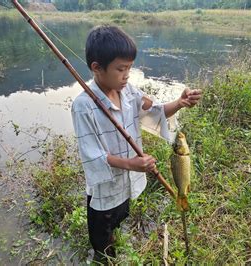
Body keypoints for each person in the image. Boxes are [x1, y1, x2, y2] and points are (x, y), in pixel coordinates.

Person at [71, 25, 201, 263]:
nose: (127, 75)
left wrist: (179, 103)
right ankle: (104, 256)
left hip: (127, 182)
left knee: (121, 216)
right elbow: (92, 156)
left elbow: (155, 112)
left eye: (129, 68)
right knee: (102, 236)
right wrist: (131, 163)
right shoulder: (83, 106)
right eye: (121, 69)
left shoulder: (128, 91)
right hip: (105, 189)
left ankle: (115, 242)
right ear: (96, 68)